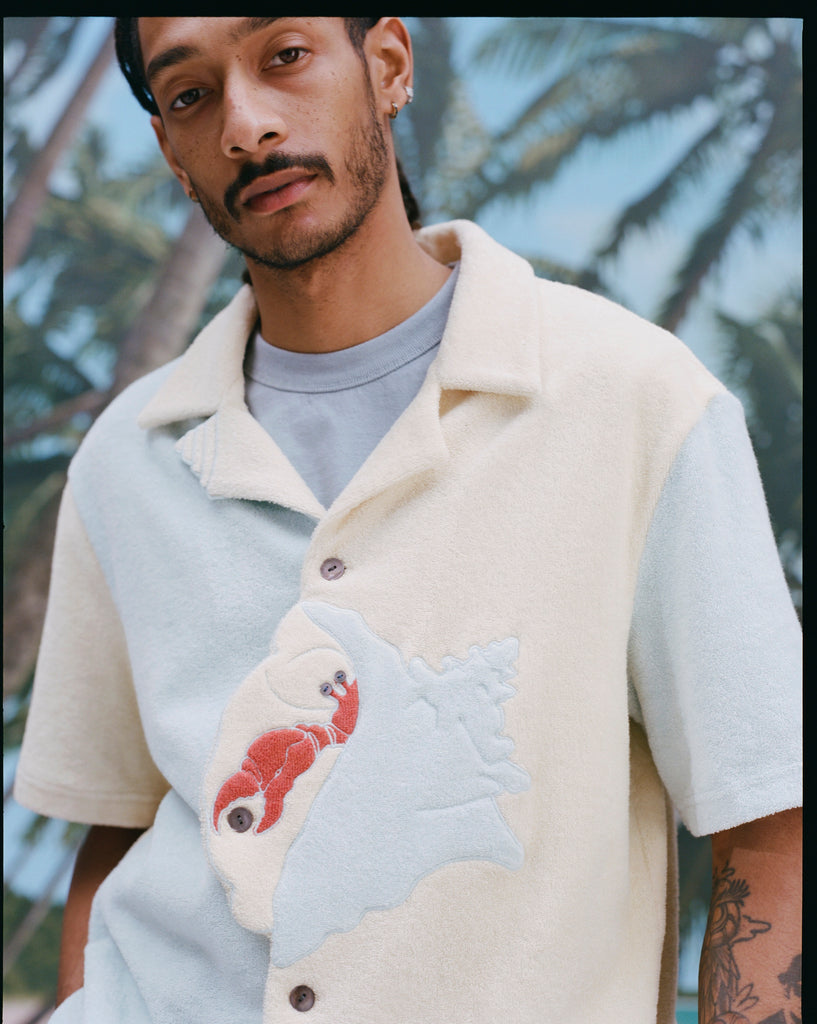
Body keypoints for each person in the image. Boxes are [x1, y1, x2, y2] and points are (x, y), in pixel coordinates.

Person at [14, 17, 801, 1024]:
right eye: (191, 95)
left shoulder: (635, 399)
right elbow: (115, 829)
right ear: (170, 150)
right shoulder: (128, 454)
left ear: (386, 66)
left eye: (284, 56)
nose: (246, 125)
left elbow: (767, 822)